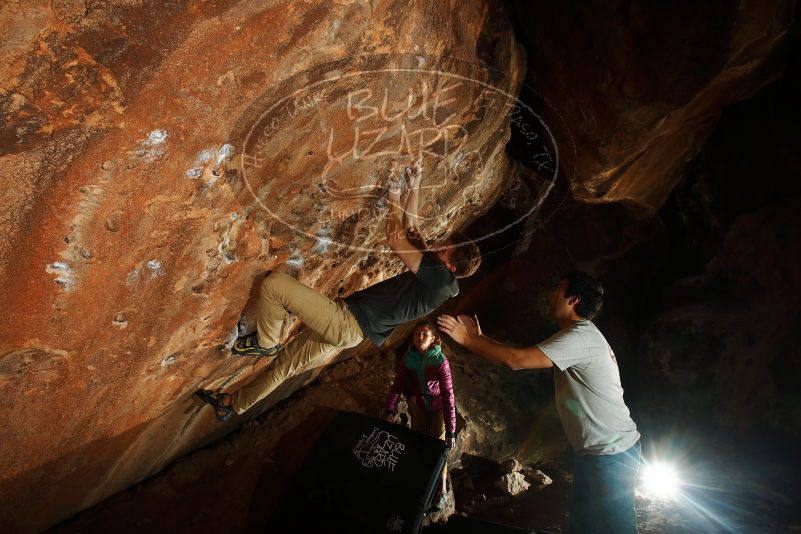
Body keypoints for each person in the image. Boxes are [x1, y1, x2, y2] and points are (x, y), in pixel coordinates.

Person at [196, 160, 481, 421]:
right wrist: (414, 183)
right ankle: (232, 405)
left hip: (347, 322)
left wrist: (393, 195)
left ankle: (266, 341)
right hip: (351, 330)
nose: (440, 246)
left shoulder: (440, 281)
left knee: (274, 285)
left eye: (446, 250)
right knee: (284, 367)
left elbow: (396, 238)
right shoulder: (438, 275)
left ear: (453, 268)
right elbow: (412, 228)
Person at [438, 272, 641, 534]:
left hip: (612, 454)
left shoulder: (579, 338)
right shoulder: (580, 335)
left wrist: (467, 339)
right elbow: (517, 356)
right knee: (584, 526)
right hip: (599, 453)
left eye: (559, 289)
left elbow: (516, 360)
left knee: (615, 529)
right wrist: (479, 338)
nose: (551, 294)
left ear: (574, 299)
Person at [384, 321, 456, 511]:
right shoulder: (410, 357)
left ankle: (441, 491)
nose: (420, 337)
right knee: (419, 443)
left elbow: (448, 395)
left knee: (440, 447)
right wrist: (389, 410)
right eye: (417, 333)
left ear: (433, 339)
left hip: (439, 406)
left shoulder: (440, 361)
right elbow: (398, 384)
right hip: (420, 404)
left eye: (425, 334)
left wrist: (451, 431)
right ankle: (420, 483)